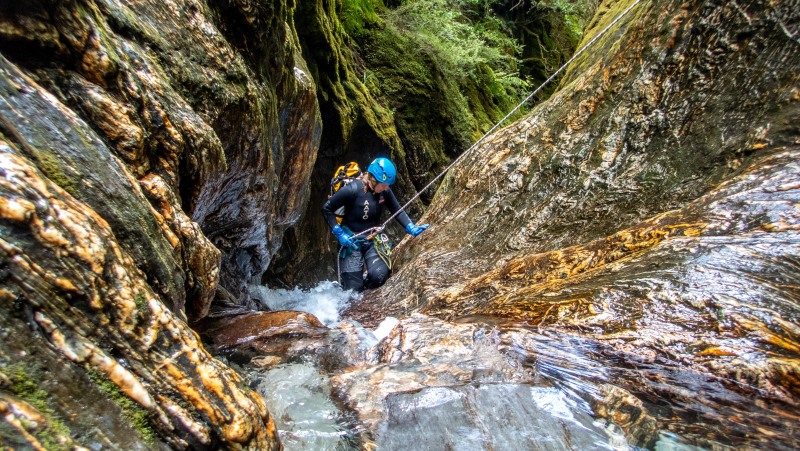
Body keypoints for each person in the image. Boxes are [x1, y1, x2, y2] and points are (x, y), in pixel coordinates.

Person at [322, 157, 429, 292]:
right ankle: (353, 283)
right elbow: (327, 208)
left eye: (387, 184)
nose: (386, 187)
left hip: (372, 241)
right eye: (384, 184)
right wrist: (338, 232)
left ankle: (365, 287)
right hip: (351, 243)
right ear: (373, 179)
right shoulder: (352, 189)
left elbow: (397, 210)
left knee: (379, 276)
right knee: (353, 290)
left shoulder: (384, 190)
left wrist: (410, 227)